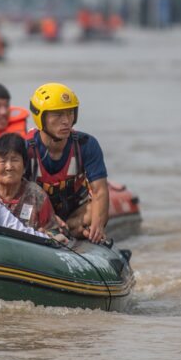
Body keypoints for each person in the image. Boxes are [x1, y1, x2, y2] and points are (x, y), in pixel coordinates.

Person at [25, 82, 110, 244]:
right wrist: (47, 217)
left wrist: (98, 228)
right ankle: (55, 229)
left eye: (70, 113)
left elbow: (100, 191)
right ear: (40, 116)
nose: (66, 121)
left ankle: (68, 229)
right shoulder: (25, 148)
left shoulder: (87, 144)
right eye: (57, 115)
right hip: (39, 213)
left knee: (96, 212)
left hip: (76, 212)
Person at [0, 133, 64, 235]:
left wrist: (47, 234)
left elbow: (54, 230)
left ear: (24, 167)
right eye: (3, 161)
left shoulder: (36, 194)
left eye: (15, 160)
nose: (9, 167)